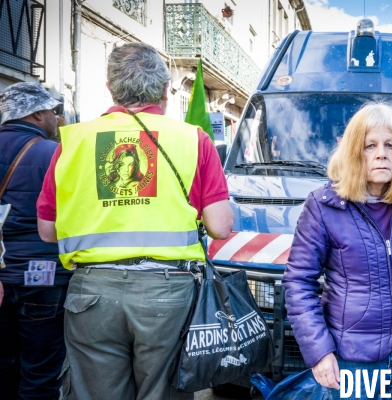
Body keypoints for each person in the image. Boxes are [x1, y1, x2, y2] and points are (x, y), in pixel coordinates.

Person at [36, 43, 233, 400]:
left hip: (92, 295)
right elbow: (220, 227)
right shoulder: (194, 140)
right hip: (168, 294)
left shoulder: (73, 141)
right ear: (163, 91)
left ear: (111, 88)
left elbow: (47, 231)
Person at [283, 104, 392, 399]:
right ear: (353, 151)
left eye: (390, 144)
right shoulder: (323, 206)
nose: (382, 153)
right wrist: (319, 352)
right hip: (352, 361)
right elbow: (298, 283)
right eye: (370, 145)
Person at [0, 82, 72, 399]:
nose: (57, 119)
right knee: (40, 374)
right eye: (54, 112)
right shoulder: (55, 153)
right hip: (44, 277)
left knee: (3, 369)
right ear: (38, 113)